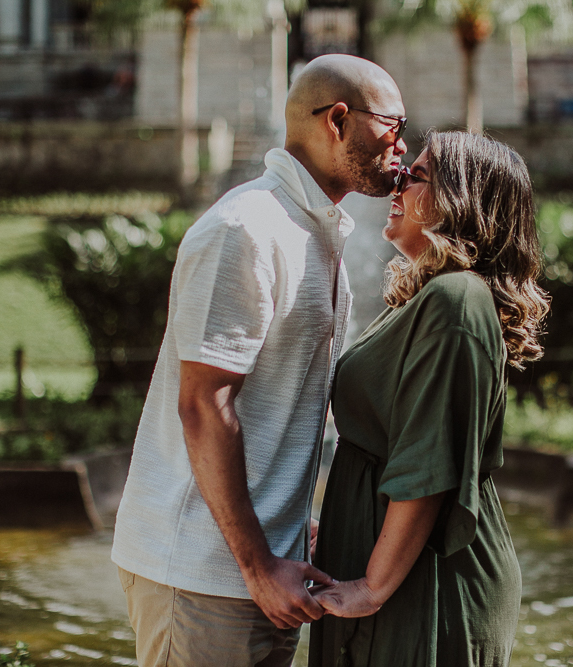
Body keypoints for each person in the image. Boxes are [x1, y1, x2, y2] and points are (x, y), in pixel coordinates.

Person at [111, 54, 408, 666]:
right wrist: (258, 562)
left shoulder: (315, 230)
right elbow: (202, 403)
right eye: (391, 125)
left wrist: (290, 531)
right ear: (339, 120)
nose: (402, 145)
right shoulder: (244, 229)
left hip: (263, 573)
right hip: (202, 573)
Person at [308, 131, 550, 667]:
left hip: (428, 581)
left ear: (461, 200)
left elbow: (427, 461)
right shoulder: (428, 297)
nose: (397, 179)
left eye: (416, 175)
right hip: (396, 564)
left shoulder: (457, 300)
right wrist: (346, 522)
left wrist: (372, 587)